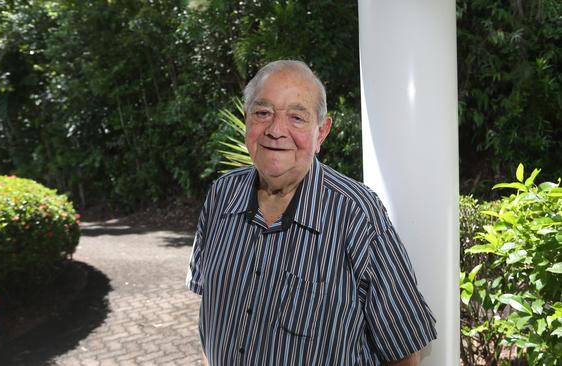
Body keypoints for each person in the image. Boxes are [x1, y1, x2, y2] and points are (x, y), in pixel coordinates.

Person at [186, 60, 437, 365]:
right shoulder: (221, 195)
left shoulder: (356, 214)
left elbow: (404, 351)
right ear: (247, 120)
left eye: (297, 117)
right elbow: (211, 316)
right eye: (263, 113)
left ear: (322, 132)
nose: (276, 130)